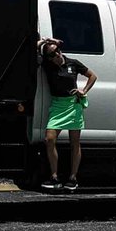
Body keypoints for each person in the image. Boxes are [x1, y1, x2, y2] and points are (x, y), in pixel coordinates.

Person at [37, 38, 97, 192]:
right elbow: (32, 52)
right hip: (57, 104)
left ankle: (73, 178)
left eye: (56, 50)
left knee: (74, 143)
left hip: (73, 104)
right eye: (51, 54)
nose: (56, 54)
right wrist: (44, 41)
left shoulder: (73, 63)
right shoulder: (47, 65)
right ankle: (54, 176)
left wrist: (83, 90)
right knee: (49, 139)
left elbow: (92, 76)